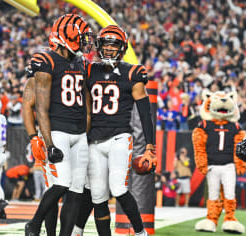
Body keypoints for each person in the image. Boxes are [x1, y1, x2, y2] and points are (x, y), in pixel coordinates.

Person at [80, 25, 157, 236]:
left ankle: (141, 233)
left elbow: (144, 113)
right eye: (105, 45)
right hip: (93, 139)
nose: (109, 50)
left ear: (121, 49)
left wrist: (150, 146)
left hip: (119, 138)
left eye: (114, 46)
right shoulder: (89, 70)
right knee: (97, 195)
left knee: (119, 188)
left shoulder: (132, 73)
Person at [24, 14, 93, 236]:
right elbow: (38, 108)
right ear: (66, 37)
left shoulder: (81, 62)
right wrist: (43, 139)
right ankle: (34, 224)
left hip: (78, 132)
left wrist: (87, 130)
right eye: (81, 38)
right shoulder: (46, 61)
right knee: (61, 183)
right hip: (57, 129)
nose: (85, 43)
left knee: (76, 190)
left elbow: (86, 101)